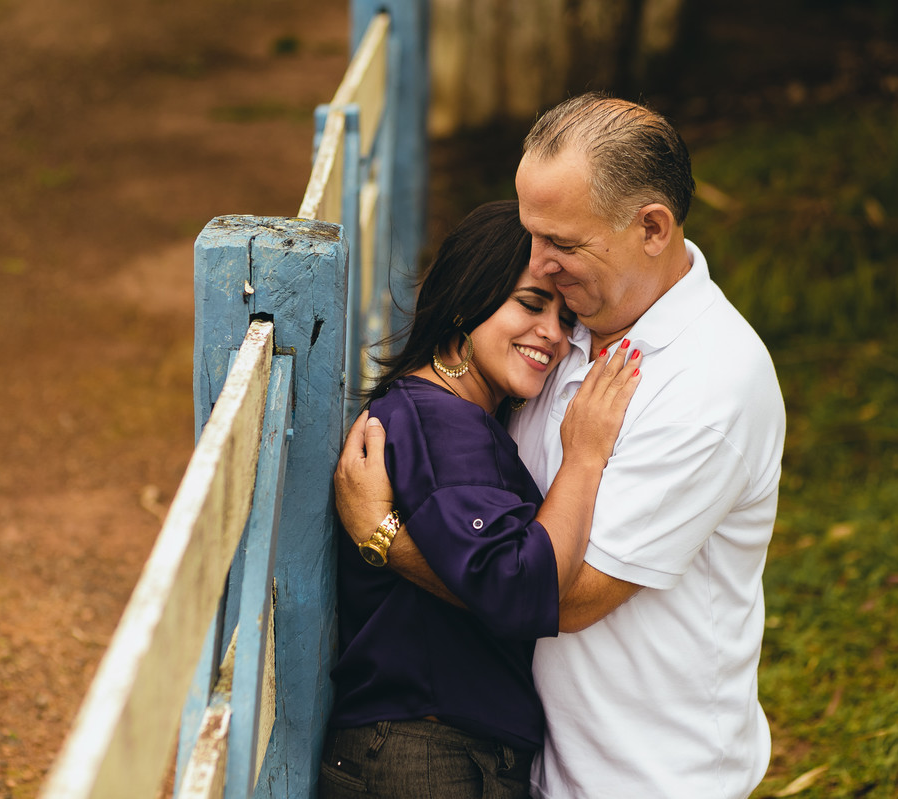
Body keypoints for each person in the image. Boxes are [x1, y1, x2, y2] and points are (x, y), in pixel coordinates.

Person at [334, 93, 786, 799]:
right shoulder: (565, 333)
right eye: (530, 234)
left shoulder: (709, 383)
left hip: (647, 777)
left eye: (563, 244)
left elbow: (562, 598)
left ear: (652, 228)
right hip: (536, 762)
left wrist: (384, 540)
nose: (540, 263)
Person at [319, 200, 642, 799]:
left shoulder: (442, 415)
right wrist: (585, 457)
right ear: (466, 302)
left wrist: (383, 537)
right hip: (424, 757)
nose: (553, 334)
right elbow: (520, 587)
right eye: (530, 304)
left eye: (565, 316)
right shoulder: (445, 425)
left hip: (430, 751)